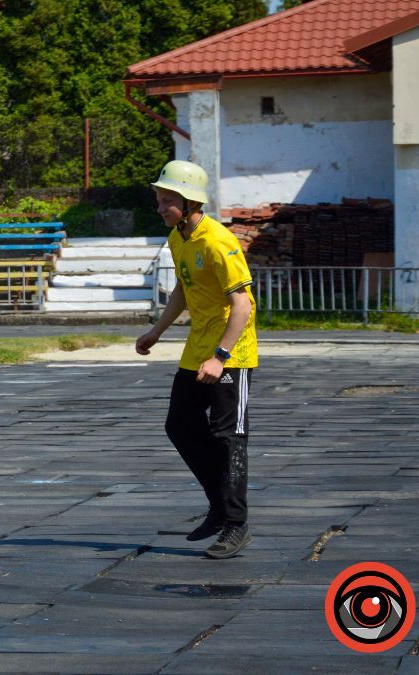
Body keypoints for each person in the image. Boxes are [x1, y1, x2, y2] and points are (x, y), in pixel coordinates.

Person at [135, 160, 257, 560]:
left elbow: (244, 303)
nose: (160, 208)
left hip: (230, 352)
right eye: (158, 200)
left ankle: (235, 525)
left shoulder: (218, 242)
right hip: (196, 348)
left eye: (167, 201)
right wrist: (157, 331)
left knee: (229, 438)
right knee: (180, 426)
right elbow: (183, 292)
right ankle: (219, 505)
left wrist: (221, 356)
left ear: (189, 202)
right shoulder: (178, 236)